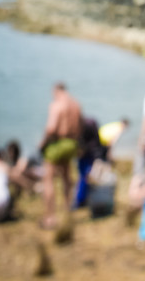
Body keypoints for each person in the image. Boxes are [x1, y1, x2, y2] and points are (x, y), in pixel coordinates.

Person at [39, 82, 83, 229]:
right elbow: (80, 125)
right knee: (66, 177)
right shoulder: (76, 104)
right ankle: (67, 212)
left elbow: (51, 128)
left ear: (56, 91)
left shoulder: (57, 104)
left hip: (58, 143)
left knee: (48, 179)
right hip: (72, 143)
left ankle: (50, 218)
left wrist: (43, 143)